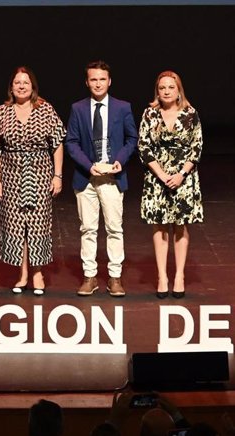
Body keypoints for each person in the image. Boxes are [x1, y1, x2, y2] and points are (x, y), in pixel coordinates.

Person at [0, 66, 65, 296]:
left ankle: (38, 273)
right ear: (11, 87)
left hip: (40, 174)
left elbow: (57, 143)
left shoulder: (46, 109)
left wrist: (57, 175)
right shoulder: (2, 112)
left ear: (33, 87)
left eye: (26, 83)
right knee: (16, 225)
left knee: (38, 225)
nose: (21, 86)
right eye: (17, 83)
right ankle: (22, 274)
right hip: (11, 175)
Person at [65, 61, 137, 297]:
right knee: (88, 228)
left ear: (109, 81)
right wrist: (88, 165)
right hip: (87, 177)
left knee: (115, 228)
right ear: (87, 82)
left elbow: (131, 139)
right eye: (93, 79)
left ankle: (115, 277)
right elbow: (72, 142)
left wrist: (120, 160)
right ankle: (90, 276)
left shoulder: (122, 107)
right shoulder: (78, 108)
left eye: (102, 79)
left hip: (113, 177)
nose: (98, 83)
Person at [137, 71, 203, 299]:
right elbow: (144, 147)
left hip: (184, 177)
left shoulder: (190, 114)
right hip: (157, 177)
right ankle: (162, 276)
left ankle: (179, 276)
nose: (166, 91)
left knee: (180, 225)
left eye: (170, 88)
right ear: (158, 91)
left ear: (178, 91)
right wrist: (162, 174)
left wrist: (181, 174)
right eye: (162, 88)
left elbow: (197, 147)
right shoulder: (150, 113)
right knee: (159, 225)